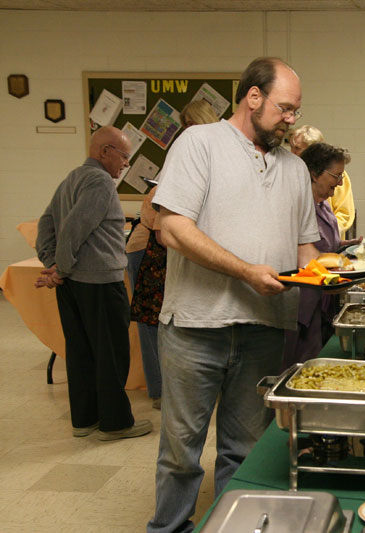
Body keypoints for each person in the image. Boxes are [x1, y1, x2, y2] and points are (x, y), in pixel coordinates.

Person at [147, 57, 320, 533]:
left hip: (264, 328)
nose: (291, 119)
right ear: (253, 97)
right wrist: (245, 271)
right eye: (285, 108)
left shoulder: (294, 168)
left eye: (296, 111)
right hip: (196, 327)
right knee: (181, 453)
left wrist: (346, 272)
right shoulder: (199, 143)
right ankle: (170, 529)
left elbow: (307, 249)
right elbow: (172, 228)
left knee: (243, 450)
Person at [35, 126, 153, 441]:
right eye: (124, 156)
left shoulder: (72, 177)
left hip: (72, 285)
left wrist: (53, 264)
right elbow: (75, 227)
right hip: (100, 283)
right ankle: (115, 423)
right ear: (105, 151)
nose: (126, 164)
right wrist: (60, 266)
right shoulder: (100, 181)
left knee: (81, 352)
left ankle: (84, 419)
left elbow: (47, 223)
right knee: (111, 354)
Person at [125, 100, 220, 410]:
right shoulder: (183, 153)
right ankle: (160, 392)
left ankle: (173, 389)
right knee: (153, 321)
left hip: (163, 245)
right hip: (150, 247)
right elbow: (162, 228)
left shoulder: (207, 152)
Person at [282, 143, 361, 370]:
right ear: (314, 173)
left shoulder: (323, 204)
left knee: (316, 361)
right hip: (301, 307)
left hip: (323, 302)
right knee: (296, 367)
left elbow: (325, 245)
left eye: (341, 176)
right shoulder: (296, 206)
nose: (339, 182)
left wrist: (346, 246)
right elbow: (302, 254)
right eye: (336, 176)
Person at [289, 125, 356, 239]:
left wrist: (329, 236)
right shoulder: (290, 173)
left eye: (297, 148)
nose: (292, 153)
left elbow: (345, 213)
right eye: (292, 147)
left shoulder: (336, 177)